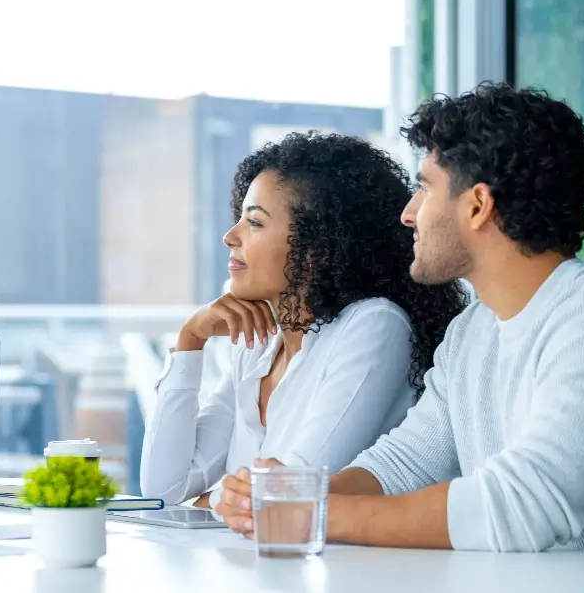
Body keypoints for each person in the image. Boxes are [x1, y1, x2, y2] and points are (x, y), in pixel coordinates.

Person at [215, 82, 584, 552]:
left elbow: (524, 504)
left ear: (477, 205)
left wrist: (312, 513)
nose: (408, 215)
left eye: (424, 188)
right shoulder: (473, 331)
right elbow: (401, 466)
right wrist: (281, 497)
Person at [140, 132, 468, 508]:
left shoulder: (374, 326)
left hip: (344, 566)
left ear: (318, 247)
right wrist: (190, 340)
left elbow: (290, 493)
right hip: (260, 564)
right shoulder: (260, 344)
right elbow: (162, 489)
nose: (231, 237)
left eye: (255, 223)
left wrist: (209, 502)